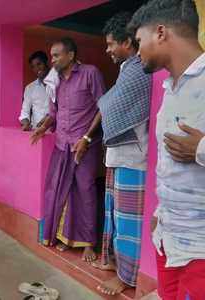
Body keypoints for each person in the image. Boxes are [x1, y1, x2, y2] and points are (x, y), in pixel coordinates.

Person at [129, 0, 205, 299]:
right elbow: (170, 161)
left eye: (138, 41)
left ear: (160, 32)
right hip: (168, 237)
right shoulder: (170, 88)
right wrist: (161, 212)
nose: (137, 52)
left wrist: (200, 147)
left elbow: (192, 150)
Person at [92, 12, 152, 296]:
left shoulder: (140, 68)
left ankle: (127, 278)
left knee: (128, 223)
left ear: (128, 42)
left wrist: (105, 103)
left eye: (111, 44)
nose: (108, 50)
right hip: (118, 156)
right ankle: (115, 264)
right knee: (114, 217)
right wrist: (107, 102)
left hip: (133, 159)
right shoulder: (128, 67)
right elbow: (110, 102)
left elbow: (111, 106)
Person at [31, 38, 106, 262]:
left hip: (84, 145)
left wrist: (86, 137)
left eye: (56, 55)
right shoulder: (55, 82)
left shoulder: (90, 73)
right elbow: (54, 113)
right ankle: (66, 237)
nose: (51, 60)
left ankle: (89, 244)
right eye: (51, 56)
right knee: (59, 189)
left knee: (85, 191)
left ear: (71, 55)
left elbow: (103, 108)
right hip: (62, 144)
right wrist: (42, 128)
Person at [19, 51, 50, 131]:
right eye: (33, 66)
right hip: (36, 132)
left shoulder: (58, 84)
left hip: (55, 132)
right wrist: (26, 123)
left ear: (47, 63)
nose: (37, 69)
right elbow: (25, 111)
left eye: (39, 64)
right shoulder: (30, 88)